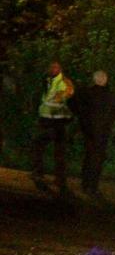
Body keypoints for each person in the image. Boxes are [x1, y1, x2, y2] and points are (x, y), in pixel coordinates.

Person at [73, 70, 115, 199]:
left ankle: (85, 184)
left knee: (88, 156)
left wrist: (82, 119)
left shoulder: (85, 93)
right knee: (98, 159)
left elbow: (73, 105)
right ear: (105, 80)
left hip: (88, 131)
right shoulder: (110, 96)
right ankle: (93, 187)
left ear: (94, 80)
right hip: (102, 133)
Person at [31, 61, 75, 196]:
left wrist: (57, 98)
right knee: (38, 147)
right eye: (51, 67)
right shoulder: (47, 80)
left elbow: (68, 93)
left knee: (59, 152)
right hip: (45, 119)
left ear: (60, 69)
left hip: (58, 121)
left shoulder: (65, 82)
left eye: (55, 67)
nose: (52, 69)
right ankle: (38, 173)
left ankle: (60, 179)